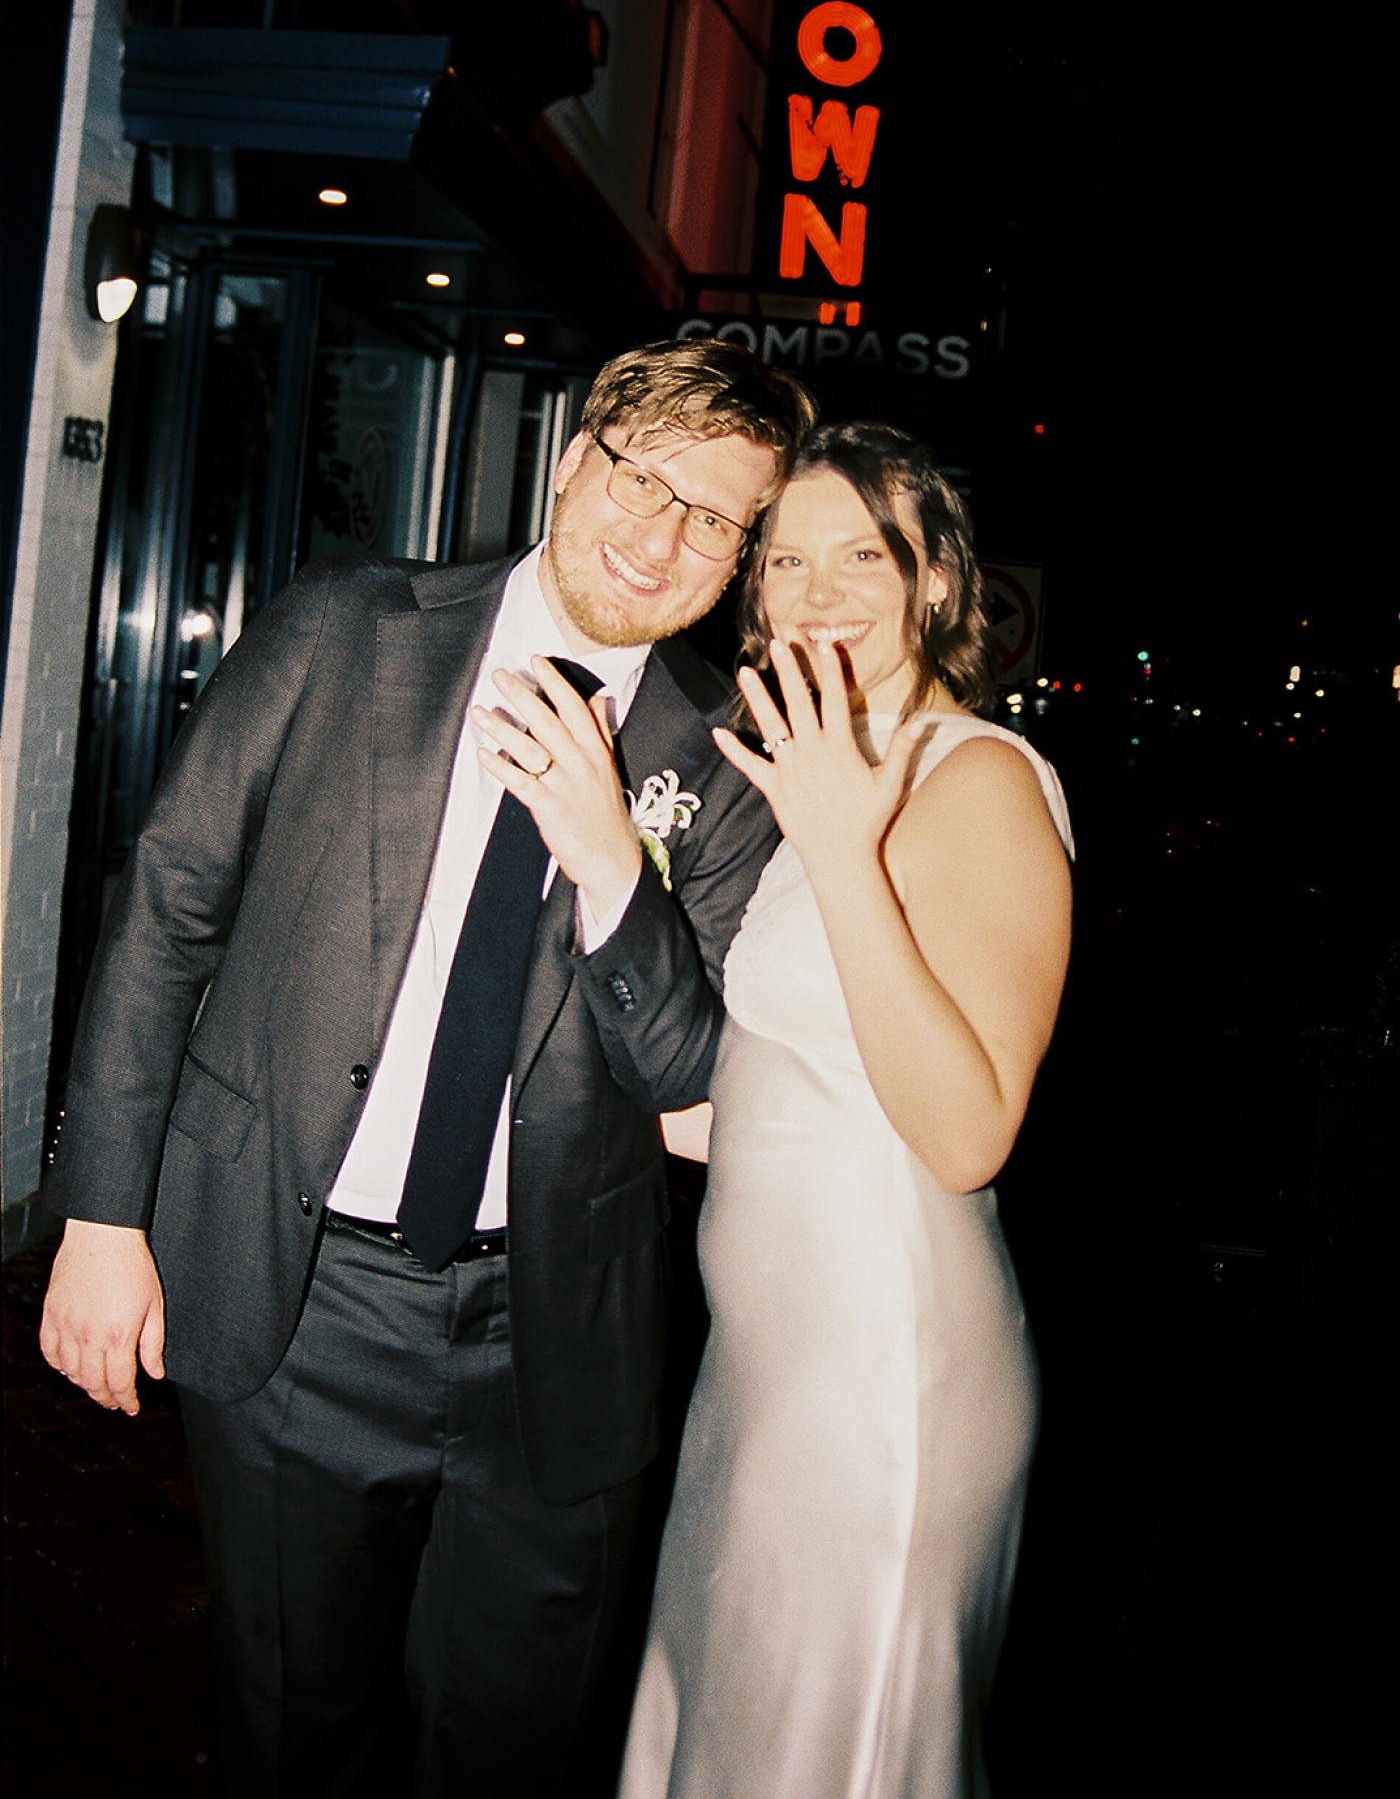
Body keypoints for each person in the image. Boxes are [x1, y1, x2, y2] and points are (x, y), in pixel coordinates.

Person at [38, 339, 817, 1798]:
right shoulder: (348, 624)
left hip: (557, 1344)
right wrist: (99, 1210)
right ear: (575, 457)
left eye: (713, 520)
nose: (660, 541)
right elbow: (171, 901)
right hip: (298, 1299)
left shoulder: (716, 762)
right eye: (644, 482)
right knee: (296, 1732)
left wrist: (609, 869)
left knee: (510, 1753)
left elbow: (702, 1078)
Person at [618, 422, 1074, 1799]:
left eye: (858, 556)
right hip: (762, 1375)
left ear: (934, 579)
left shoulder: (975, 778)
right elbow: (774, 1080)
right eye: (785, 561)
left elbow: (968, 1131)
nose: (812, 592)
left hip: (883, 1388)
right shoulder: (823, 766)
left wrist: (840, 848)